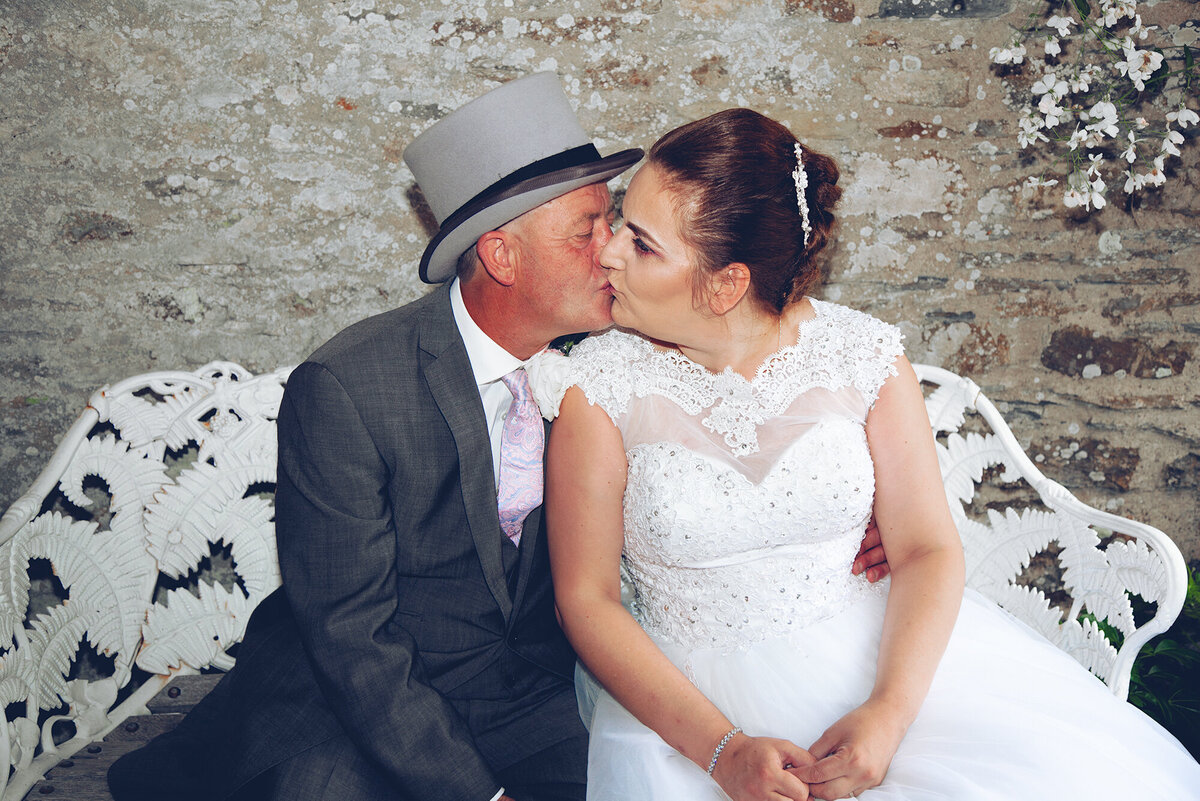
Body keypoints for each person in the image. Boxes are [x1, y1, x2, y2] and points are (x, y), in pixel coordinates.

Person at [541, 108, 1200, 800]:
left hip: (884, 666)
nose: (608, 250)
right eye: (620, 222)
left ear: (724, 284)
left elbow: (926, 550)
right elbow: (586, 599)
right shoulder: (597, 386)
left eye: (641, 244)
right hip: (686, 711)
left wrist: (887, 715)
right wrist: (722, 752)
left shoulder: (863, 358)